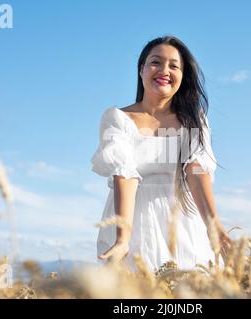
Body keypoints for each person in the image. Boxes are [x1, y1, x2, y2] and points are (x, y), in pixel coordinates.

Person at [91, 35, 231, 272]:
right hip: (132, 220)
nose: (164, 70)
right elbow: (124, 174)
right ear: (141, 69)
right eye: (156, 62)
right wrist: (123, 238)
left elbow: (196, 171)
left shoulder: (194, 120)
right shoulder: (117, 118)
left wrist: (214, 226)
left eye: (174, 66)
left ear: (182, 76)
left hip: (184, 221)